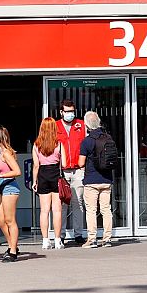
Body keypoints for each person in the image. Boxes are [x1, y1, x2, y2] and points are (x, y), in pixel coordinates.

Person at [78, 111, 114, 248]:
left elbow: (81, 163)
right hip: (106, 179)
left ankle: (92, 239)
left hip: (91, 180)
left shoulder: (87, 141)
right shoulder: (108, 138)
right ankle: (107, 239)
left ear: (86, 124)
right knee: (106, 209)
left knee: (91, 210)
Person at [33, 117, 68, 250]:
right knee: (57, 210)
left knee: (44, 211)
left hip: (42, 176)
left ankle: (45, 240)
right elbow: (63, 164)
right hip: (56, 176)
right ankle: (58, 240)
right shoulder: (59, 144)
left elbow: (36, 166)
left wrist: (35, 181)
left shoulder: (36, 145)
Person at [56, 99, 87, 245]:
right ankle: (60, 234)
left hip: (78, 169)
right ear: (61, 112)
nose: (70, 114)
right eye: (67, 111)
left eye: (72, 111)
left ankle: (78, 234)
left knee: (78, 202)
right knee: (62, 203)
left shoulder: (81, 125)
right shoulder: (55, 126)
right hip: (62, 171)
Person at [0, 126, 22, 262]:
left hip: (10, 187)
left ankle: (13, 251)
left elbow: (17, 171)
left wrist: (0, 175)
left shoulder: (6, 153)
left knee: (10, 220)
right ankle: (12, 245)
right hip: (1, 187)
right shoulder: (2, 153)